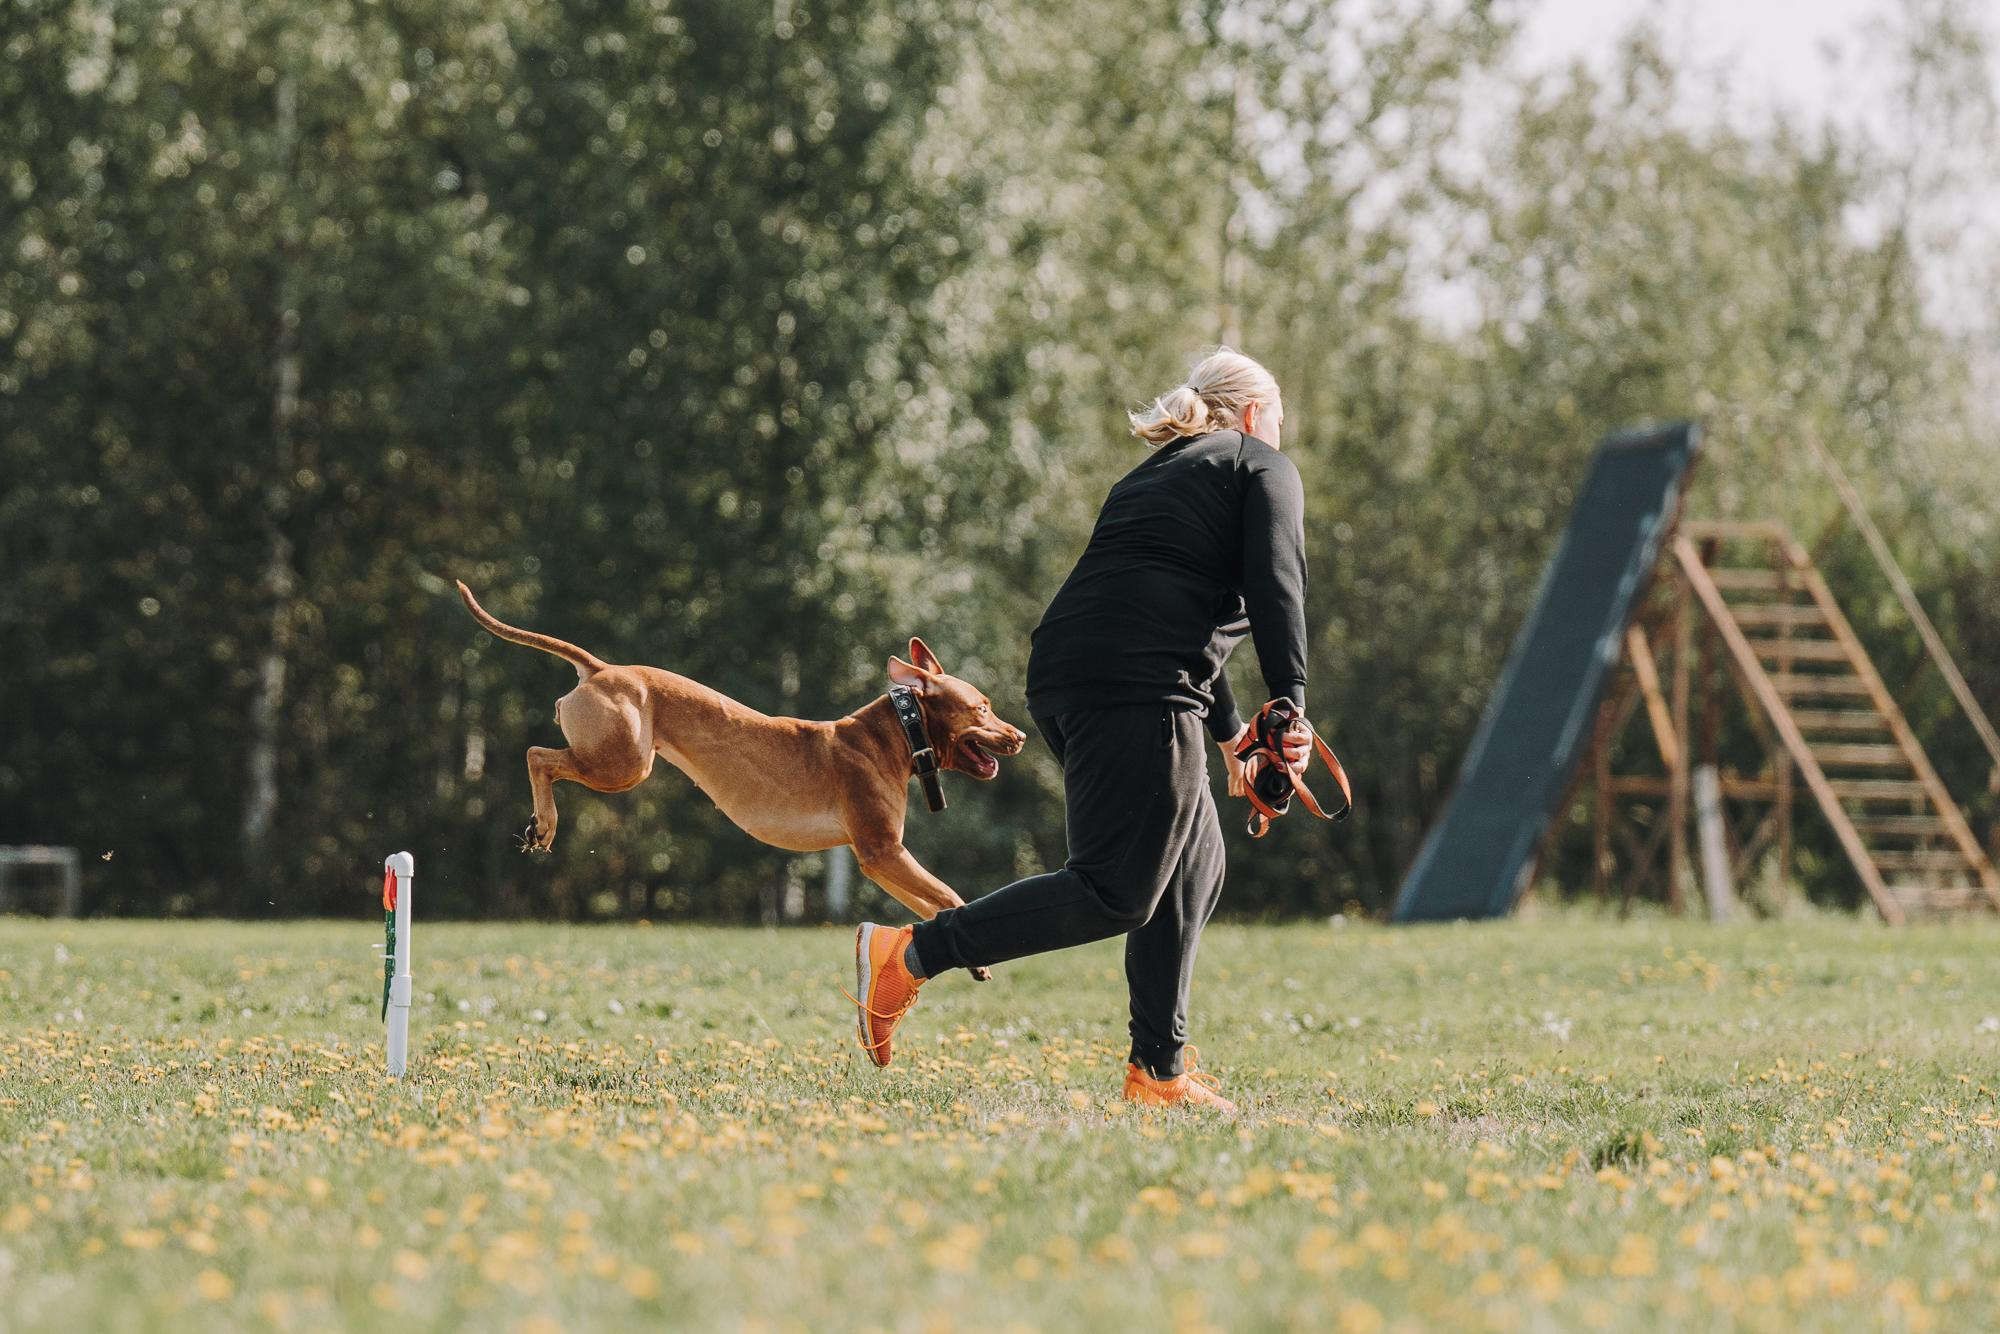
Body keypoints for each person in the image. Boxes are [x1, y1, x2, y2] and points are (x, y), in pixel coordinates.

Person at [849, 347, 1315, 1112]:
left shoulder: (1157, 475)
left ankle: (1157, 1073)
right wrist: (1291, 702)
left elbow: (1173, 613)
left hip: (1073, 678)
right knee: (1116, 889)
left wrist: (1236, 736)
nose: (1282, 438)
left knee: (1193, 864)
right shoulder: (1261, 465)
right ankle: (912, 952)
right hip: (1136, 688)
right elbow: (1278, 583)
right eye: (1281, 424)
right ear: (1256, 415)